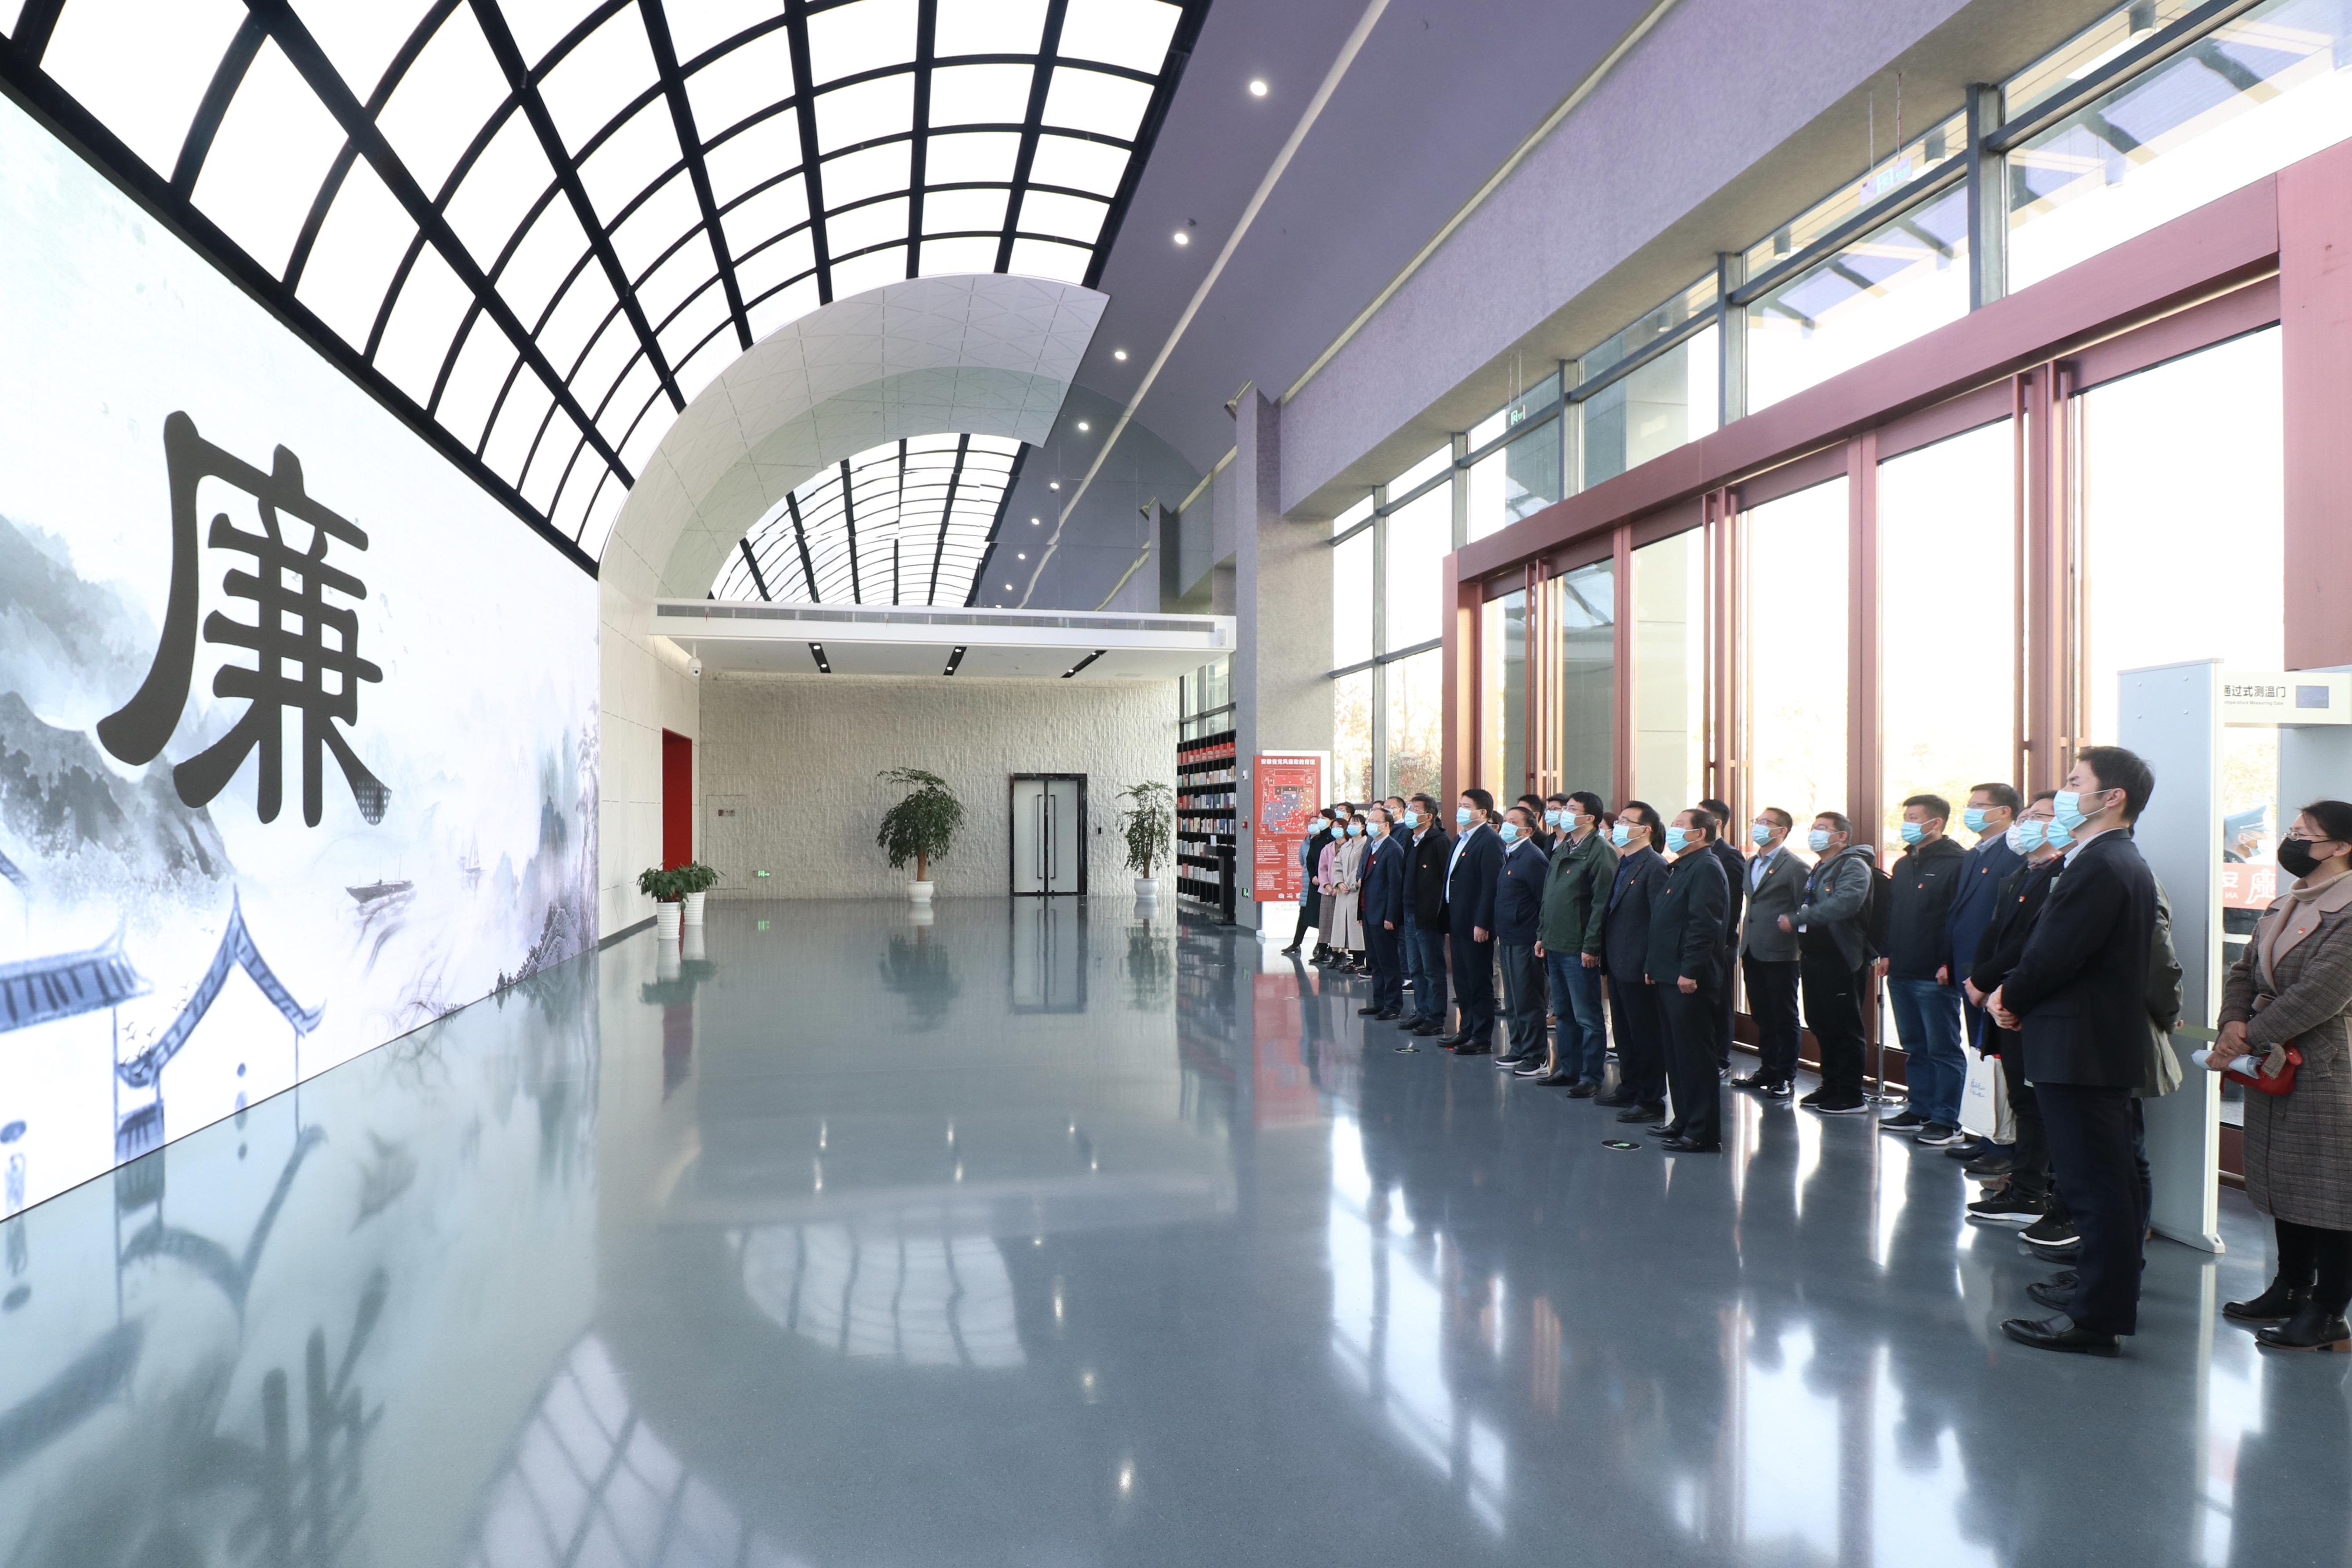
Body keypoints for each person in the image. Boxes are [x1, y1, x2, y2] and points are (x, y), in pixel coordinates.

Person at [1989, 744, 2159, 1356]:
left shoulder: (2103, 864)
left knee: (2095, 1185)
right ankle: (2100, 1290)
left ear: (2112, 797)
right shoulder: (2109, 858)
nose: (2062, 794)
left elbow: (2059, 952)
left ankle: (2097, 1317)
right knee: (2103, 1181)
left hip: (2082, 1046)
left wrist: (2011, 995)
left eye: (2072, 782)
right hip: (2084, 1042)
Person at [2213, 800, 2352, 1352]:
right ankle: (2292, 1286)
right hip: (2274, 1058)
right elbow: (2244, 971)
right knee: (2285, 1177)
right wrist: (2233, 1021)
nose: (2291, 841)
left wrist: (2246, 1036)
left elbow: (2321, 992)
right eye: (2291, 831)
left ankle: (2329, 1311)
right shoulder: (2285, 901)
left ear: (2340, 847)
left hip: (2328, 1064)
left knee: (2332, 1189)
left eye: (2304, 834)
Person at [1964, 791, 2066, 1227]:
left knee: (2037, 1103)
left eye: (2036, 816)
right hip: (2003, 998)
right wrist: (1979, 979)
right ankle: (2026, 1184)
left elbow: (2033, 944)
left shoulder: (2063, 874)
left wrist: (1991, 983)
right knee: (2023, 1100)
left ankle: (2033, 1191)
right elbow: (1996, 933)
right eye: (2023, 818)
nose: (2024, 825)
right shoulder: (2024, 873)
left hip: (2027, 1002)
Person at [1878, 793, 1969, 1147]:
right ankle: (1920, 1108)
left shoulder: (1957, 862)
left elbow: (1958, 919)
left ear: (1936, 823)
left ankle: (1946, 1120)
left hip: (1935, 974)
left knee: (1943, 1049)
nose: (1907, 824)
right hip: (1901, 969)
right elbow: (1893, 913)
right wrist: (1886, 953)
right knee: (1915, 1046)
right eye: (1906, 817)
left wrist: (1949, 962)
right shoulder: (1904, 864)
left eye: (1914, 818)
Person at [1648, 807, 1730, 1151]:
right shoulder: (1683, 866)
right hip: (1669, 972)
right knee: (1677, 1053)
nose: (1673, 830)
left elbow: (1704, 925)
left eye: (1681, 826)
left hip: (1688, 978)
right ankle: (1682, 1119)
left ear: (1700, 834)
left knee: (1695, 1056)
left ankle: (1702, 1132)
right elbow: (1667, 923)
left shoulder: (1706, 867)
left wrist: (1690, 970)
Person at [1781, 812, 1873, 1114]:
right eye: (1814, 827)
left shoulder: (1853, 865)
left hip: (1840, 957)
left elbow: (1846, 903)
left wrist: (1800, 917)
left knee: (1844, 1026)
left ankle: (1851, 1094)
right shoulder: (1821, 866)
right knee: (1821, 1023)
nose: (1815, 833)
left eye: (1823, 828)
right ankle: (1831, 1085)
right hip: (1814, 956)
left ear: (1842, 836)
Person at [1530, 789, 1617, 1093]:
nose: (1563, 813)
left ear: (1589, 818)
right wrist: (1542, 934)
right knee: (1564, 1014)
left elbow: (1601, 904)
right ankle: (1569, 1069)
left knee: (1587, 1016)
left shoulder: (1600, 850)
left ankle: (1590, 1077)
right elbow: (1549, 895)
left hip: (1578, 947)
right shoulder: (1564, 846)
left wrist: (1591, 946)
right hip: (1556, 941)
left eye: (1571, 809)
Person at [1596, 802, 1670, 1122]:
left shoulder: (1655, 866)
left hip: (1639, 966)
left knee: (1645, 1034)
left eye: (1627, 821)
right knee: (1625, 1032)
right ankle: (1630, 1085)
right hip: (1618, 960)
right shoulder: (1624, 862)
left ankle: (1651, 1098)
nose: (1619, 826)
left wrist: (1652, 963)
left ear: (1646, 830)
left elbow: (1659, 922)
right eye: (1620, 821)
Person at [1731, 806, 1809, 1097]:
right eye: (1758, 821)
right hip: (1752, 948)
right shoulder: (1751, 862)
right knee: (1762, 1014)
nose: (1759, 826)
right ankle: (1768, 1067)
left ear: (1782, 831)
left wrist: (1792, 923)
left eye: (1766, 822)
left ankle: (1785, 1076)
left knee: (1784, 1016)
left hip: (1781, 952)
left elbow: (1805, 908)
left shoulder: (1795, 866)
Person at [1441, 789, 1504, 1054]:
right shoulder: (1461, 838)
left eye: (1467, 806)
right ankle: (1466, 1029)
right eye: (1460, 805)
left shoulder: (1490, 841)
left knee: (1479, 981)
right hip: (1457, 919)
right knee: (1463, 982)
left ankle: (1481, 1037)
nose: (1461, 810)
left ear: (1483, 813)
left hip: (1476, 923)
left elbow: (1492, 886)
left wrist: (1484, 923)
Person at [1492, 805, 1549, 1068]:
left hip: (1525, 938)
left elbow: (1543, 901)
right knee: (1514, 1000)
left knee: (1528, 999)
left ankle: (1535, 1056)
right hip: (1508, 936)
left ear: (1527, 830)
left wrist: (1540, 935)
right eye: (1506, 820)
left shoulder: (1533, 858)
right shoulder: (1511, 855)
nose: (1506, 825)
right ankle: (1518, 1047)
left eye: (1513, 822)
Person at [1699, 797, 1749, 1070]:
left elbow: (1731, 903)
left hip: (1721, 943)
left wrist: (1722, 940)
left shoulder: (1729, 856)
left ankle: (1720, 1058)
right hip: (1701, 941)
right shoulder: (1697, 852)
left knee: (1720, 1001)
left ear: (1716, 823)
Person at [1404, 794, 1452, 1035]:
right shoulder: (1410, 839)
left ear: (1428, 816)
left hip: (1429, 917)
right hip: (1410, 912)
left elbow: (1446, 881)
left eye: (1415, 809)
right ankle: (1421, 1011)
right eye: (1410, 808)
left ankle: (1436, 1017)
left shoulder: (1439, 842)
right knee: (1416, 969)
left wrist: (1440, 914)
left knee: (1433, 970)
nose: (1409, 813)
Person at [1358, 806, 1408, 1022]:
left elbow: (1395, 886)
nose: (1370, 824)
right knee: (1374, 961)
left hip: (1383, 915)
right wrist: (1361, 913)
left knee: (1389, 962)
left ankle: (1393, 1005)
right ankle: (1378, 1002)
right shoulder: (1371, 846)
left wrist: (1391, 916)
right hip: (1368, 912)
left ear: (1387, 825)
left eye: (1374, 821)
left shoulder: (1393, 849)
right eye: (1369, 820)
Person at [1282, 806, 1337, 958]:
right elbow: (1308, 861)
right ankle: (1298, 944)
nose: (1318, 822)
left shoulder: (1332, 840)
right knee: (1306, 914)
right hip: (1312, 883)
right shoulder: (1313, 841)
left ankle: (1324, 948)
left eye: (1322, 819)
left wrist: (1323, 879)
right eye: (1318, 819)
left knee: (1325, 916)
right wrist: (1314, 875)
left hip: (1327, 884)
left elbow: (1331, 864)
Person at [1318, 809, 1366, 971]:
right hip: (1343, 892)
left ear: (1363, 827)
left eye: (1355, 824)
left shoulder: (1366, 845)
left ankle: (1359, 961)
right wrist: (1339, 883)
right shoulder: (1347, 846)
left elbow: (1361, 868)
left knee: (1356, 929)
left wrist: (1350, 883)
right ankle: (1339, 956)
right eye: (1350, 823)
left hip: (1356, 891)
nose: (1352, 826)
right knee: (1341, 926)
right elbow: (1336, 866)